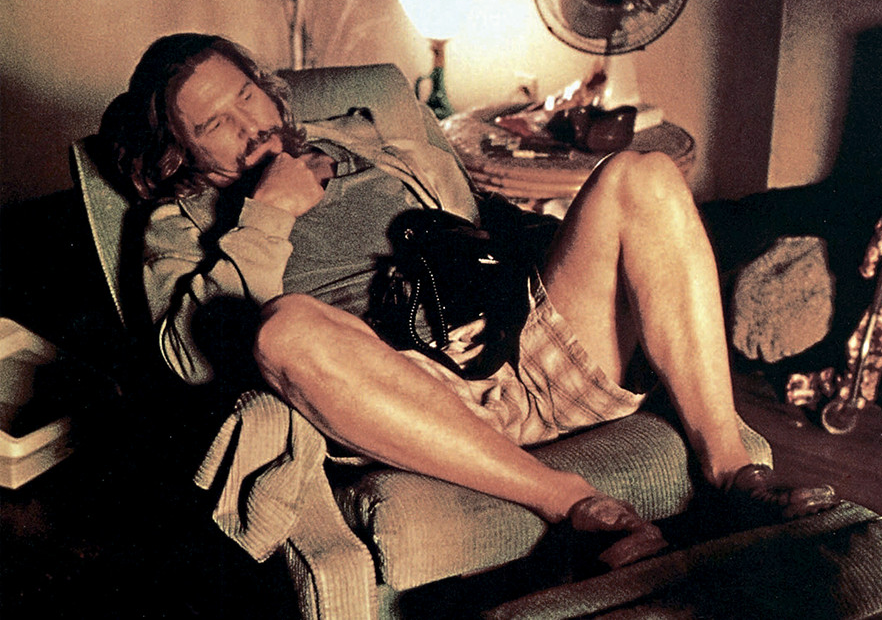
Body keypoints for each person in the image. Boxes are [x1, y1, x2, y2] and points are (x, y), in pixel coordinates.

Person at [101, 33, 837, 570]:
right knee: (284, 330)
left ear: (266, 86)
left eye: (246, 95)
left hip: (527, 345)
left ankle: (734, 474)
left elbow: (482, 223)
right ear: (182, 153)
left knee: (640, 174)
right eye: (214, 124)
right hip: (411, 401)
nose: (248, 123)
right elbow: (190, 356)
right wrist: (268, 214)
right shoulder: (178, 225)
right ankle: (571, 502)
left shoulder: (363, 138)